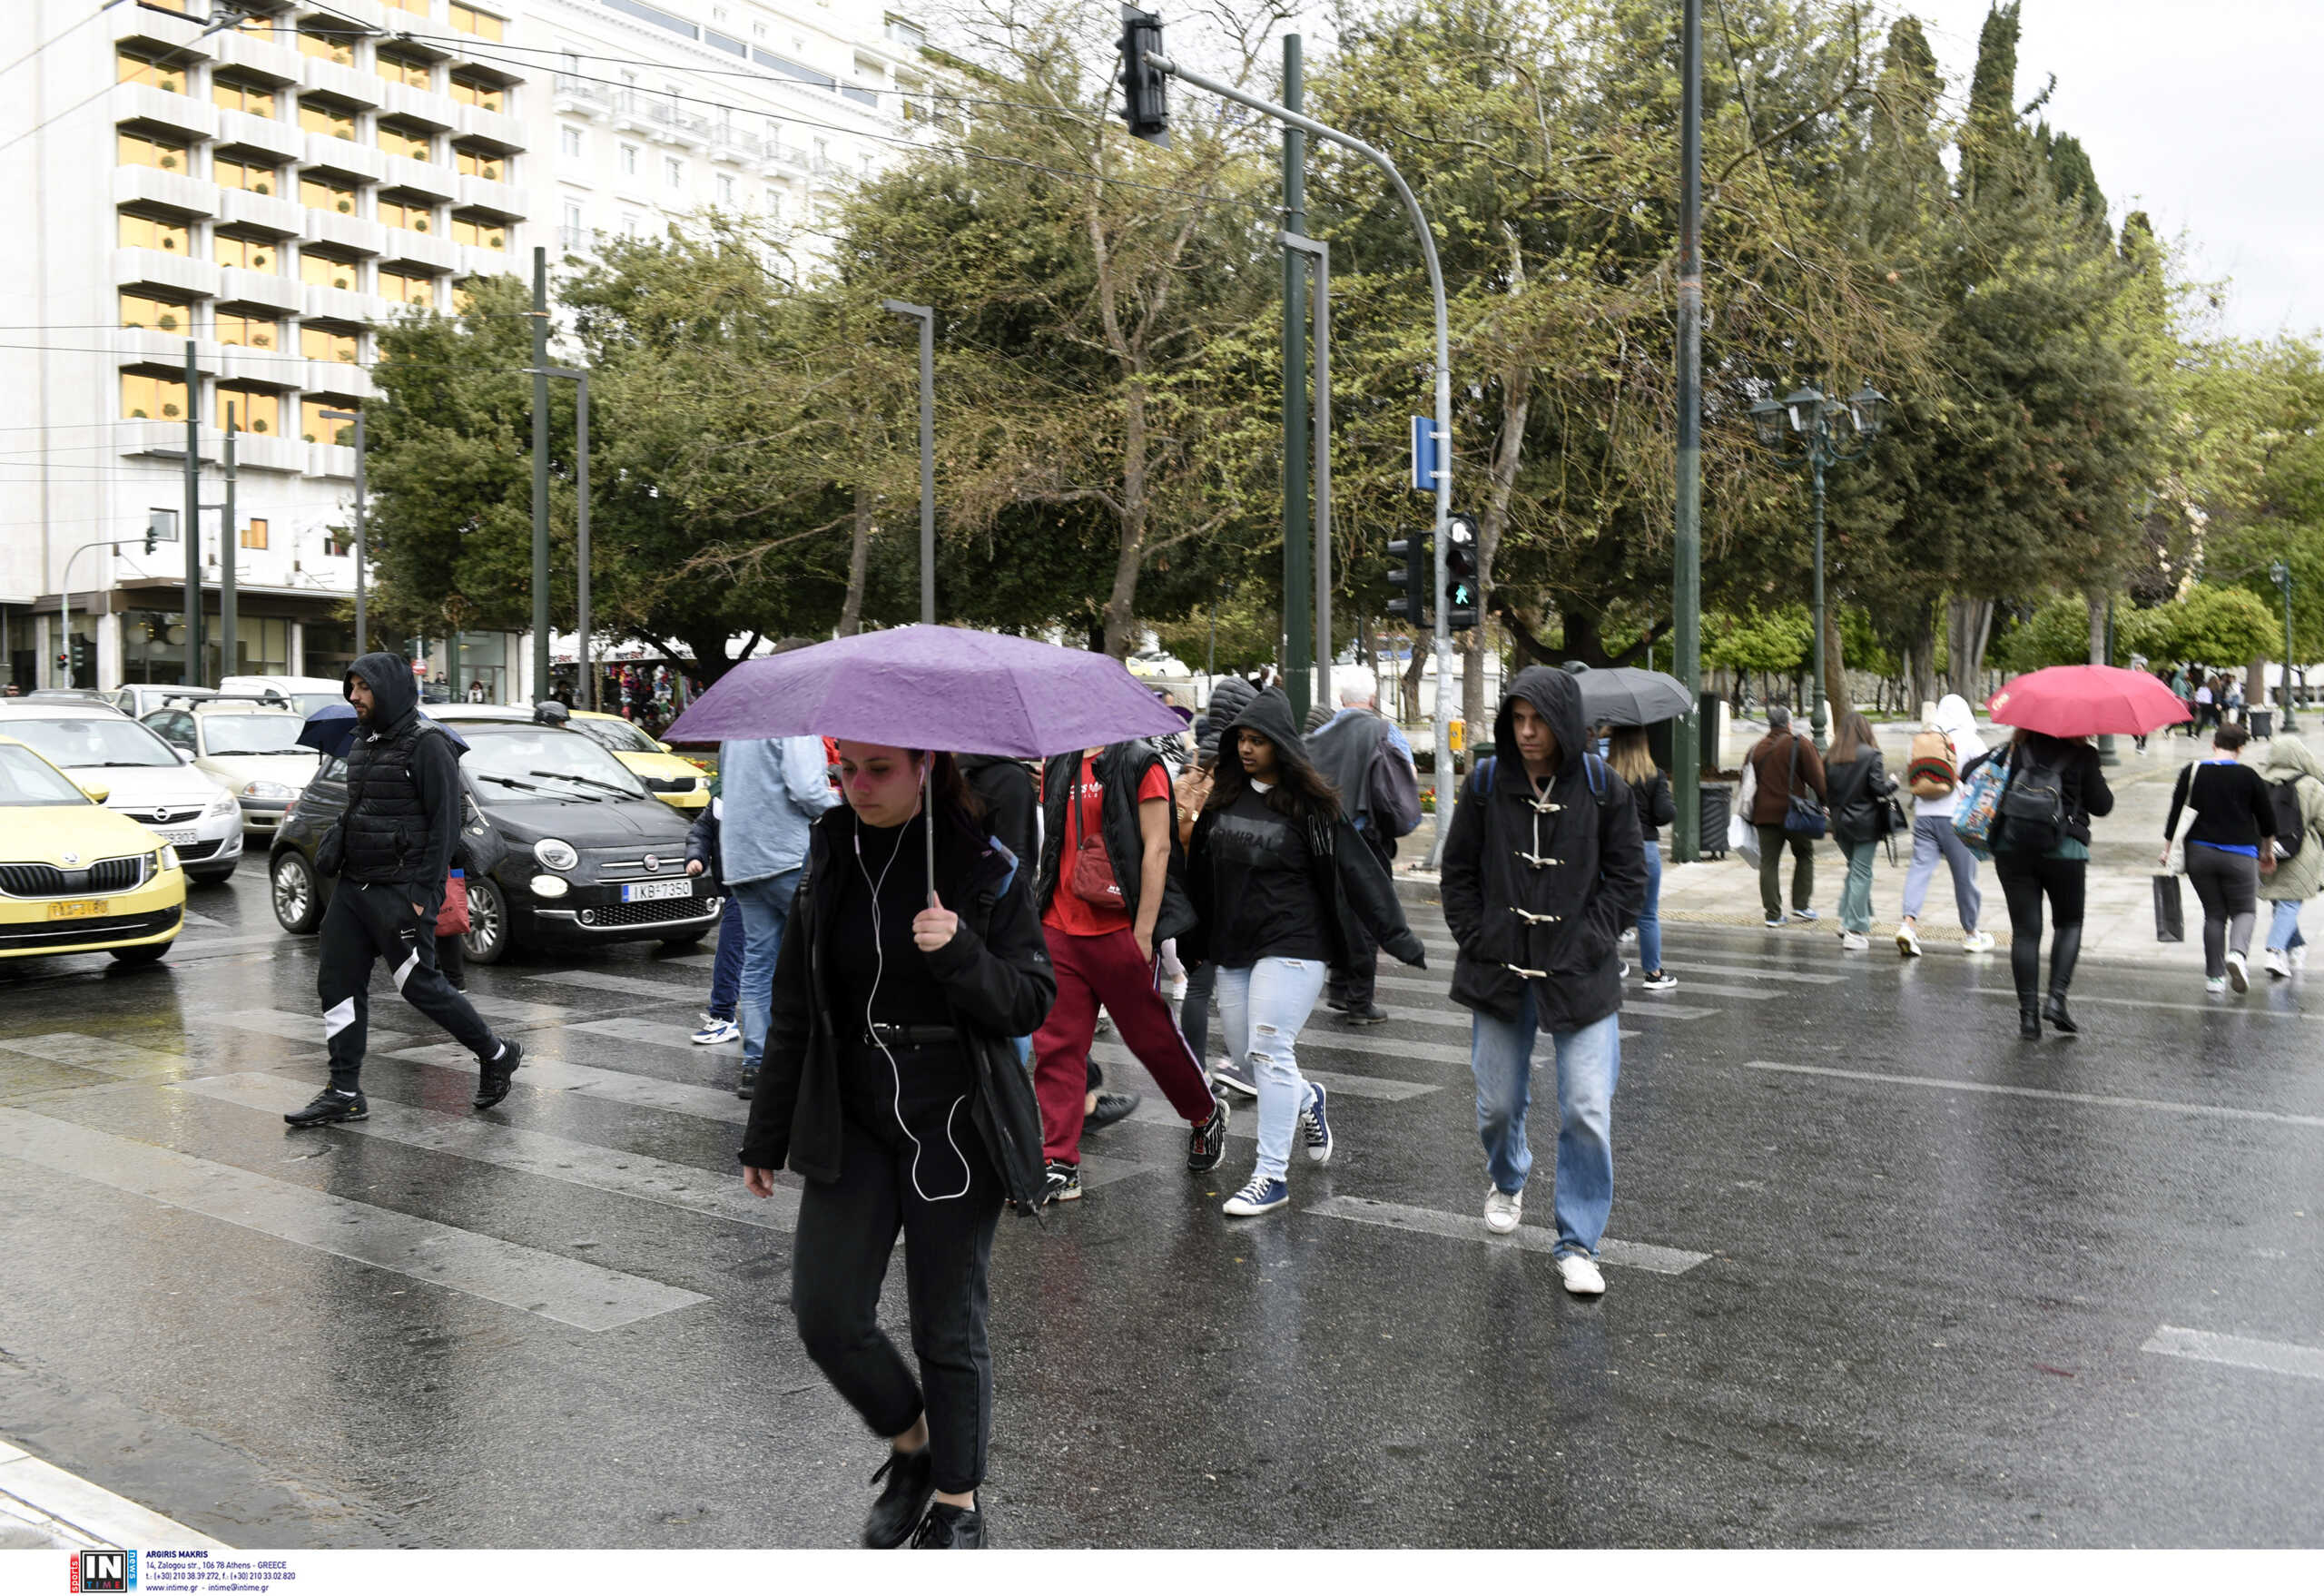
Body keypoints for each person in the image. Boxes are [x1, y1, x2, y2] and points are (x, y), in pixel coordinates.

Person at [739, 742, 1052, 1551]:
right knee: (827, 1315)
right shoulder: (831, 849)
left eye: (879, 770)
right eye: (847, 770)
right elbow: (798, 1004)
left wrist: (960, 953)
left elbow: (1028, 1001)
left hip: (954, 1117)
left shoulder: (985, 863)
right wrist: (767, 1131)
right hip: (855, 1116)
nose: (858, 786)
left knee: (946, 1328)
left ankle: (957, 1500)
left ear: (925, 766)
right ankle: (913, 1446)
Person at [1442, 667, 1644, 1296]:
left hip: (1581, 975)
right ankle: (1508, 1177)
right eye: (1518, 720)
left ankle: (1578, 1243)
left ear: (1563, 723)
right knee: (1498, 1106)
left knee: (1587, 1108)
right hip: (1498, 970)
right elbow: (1457, 876)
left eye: (1539, 721)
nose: (1528, 733)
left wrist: (1589, 940)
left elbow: (1629, 880)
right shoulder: (1483, 784)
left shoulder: (1603, 788)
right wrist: (1479, 937)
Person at [1184, 687, 1423, 1217]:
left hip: (1296, 942)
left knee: (1269, 1050)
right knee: (1252, 1057)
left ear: (1281, 747)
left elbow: (1361, 873)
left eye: (1258, 741)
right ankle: (1308, 1097)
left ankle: (1271, 1176)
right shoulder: (1224, 798)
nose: (1247, 749)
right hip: (1235, 946)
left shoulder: (1311, 806)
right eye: (1241, 740)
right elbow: (1200, 876)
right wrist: (1189, 940)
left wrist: (1399, 937)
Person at [286, 653, 523, 1128]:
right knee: (336, 984)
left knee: (420, 987)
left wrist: (423, 893)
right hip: (354, 887)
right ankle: (344, 1091)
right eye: (350, 687)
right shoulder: (362, 741)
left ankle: (496, 1052)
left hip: (402, 890)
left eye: (363, 688)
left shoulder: (428, 744)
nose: (354, 697)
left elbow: (444, 826)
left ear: (388, 689)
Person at [1029, 737, 1229, 1206]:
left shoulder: (1139, 761)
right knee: (1057, 1047)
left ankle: (1203, 1113)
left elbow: (1158, 847)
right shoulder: (1058, 761)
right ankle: (1060, 1160)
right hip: (1059, 925)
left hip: (1120, 924)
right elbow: (1052, 843)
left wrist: (1143, 931)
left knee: (1151, 1039)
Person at [724, 733, 842, 1098]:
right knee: (820, 955)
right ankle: (823, 1059)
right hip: (786, 854)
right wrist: (844, 803)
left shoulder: (738, 729)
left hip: (742, 856)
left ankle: (757, 1064)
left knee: (760, 962)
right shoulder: (795, 725)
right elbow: (807, 790)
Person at [1308, 665, 1423, 1023]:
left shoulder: (1318, 734)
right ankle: (1360, 1002)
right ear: (1372, 699)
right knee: (1368, 916)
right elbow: (1409, 775)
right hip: (1366, 840)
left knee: (1337, 915)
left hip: (1324, 840)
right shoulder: (1385, 730)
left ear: (1341, 701)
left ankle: (1340, 991)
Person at [1991, 727, 2113, 1038]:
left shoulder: (2012, 750)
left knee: (2025, 932)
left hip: (2012, 848)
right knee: (2069, 923)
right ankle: (2056, 1001)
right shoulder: (2084, 755)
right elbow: (2103, 805)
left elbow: (1968, 772)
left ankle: (2028, 1019)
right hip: (2065, 850)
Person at [1176, 675, 1256, 1094]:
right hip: (1225, 891)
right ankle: (1239, 1066)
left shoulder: (1194, 761)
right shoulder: (1236, 769)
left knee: (1198, 983)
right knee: (1234, 983)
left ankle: (1195, 1070)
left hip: (1189, 886)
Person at [2162, 724, 2278, 995]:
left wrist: (2167, 848)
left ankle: (2214, 979)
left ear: (2214, 743)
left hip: (2199, 854)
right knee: (2245, 911)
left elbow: (2175, 814)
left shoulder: (2192, 771)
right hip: (2240, 854)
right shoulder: (2249, 776)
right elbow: (2267, 821)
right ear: (2240, 748)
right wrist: (2267, 851)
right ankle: (2237, 954)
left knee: (2214, 914)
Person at [1897, 695, 1994, 957]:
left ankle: (1908, 925)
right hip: (1956, 818)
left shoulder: (1923, 739)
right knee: (1965, 877)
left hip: (1924, 815)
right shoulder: (1970, 739)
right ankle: (1972, 934)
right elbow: (1988, 774)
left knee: (1919, 869)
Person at [1604, 725, 1676, 990]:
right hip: (1644, 848)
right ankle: (1654, 974)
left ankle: (1609, 964)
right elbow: (1664, 813)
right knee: (1647, 915)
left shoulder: (1604, 774)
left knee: (1607, 910)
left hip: (1610, 849)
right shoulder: (1654, 776)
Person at [1743, 704, 1827, 930]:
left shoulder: (1755, 749)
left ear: (1770, 724)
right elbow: (1817, 778)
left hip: (1763, 816)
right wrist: (1825, 803)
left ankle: (1773, 914)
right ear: (1789, 723)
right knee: (1804, 853)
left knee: (1768, 862)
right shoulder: (1799, 743)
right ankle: (1801, 904)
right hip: (1794, 814)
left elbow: (1747, 783)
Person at [1823, 711, 1896, 952]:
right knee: (1862, 873)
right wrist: (1893, 782)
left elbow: (1826, 794)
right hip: (1865, 824)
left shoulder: (1830, 758)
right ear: (1865, 730)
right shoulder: (1871, 755)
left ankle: (1848, 919)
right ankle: (1854, 929)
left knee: (1855, 870)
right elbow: (1878, 789)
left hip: (1840, 824)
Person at [2259, 734, 2324, 977]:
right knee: (2288, 902)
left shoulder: (2261, 783)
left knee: (2281, 900)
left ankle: (2296, 947)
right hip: (2301, 854)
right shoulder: (2311, 784)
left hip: (2266, 851)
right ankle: (2275, 953)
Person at [685, 784, 743, 1047]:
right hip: (738, 889)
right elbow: (701, 831)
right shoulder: (720, 799)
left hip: (768, 884)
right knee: (730, 952)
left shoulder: (768, 791)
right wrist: (696, 856)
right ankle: (723, 1017)